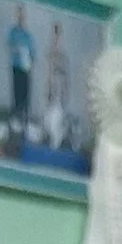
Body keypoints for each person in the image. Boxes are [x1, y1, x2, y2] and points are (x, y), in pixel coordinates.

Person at [4, 12, 35, 147]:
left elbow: (33, 55)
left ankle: (24, 125)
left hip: (26, 69)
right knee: (16, 95)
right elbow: (10, 45)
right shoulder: (14, 33)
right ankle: (14, 125)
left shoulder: (28, 36)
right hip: (16, 68)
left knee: (25, 98)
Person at [43, 22, 70, 152]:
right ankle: (52, 143)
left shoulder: (62, 56)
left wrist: (64, 91)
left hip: (58, 92)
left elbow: (64, 77)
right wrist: (48, 88)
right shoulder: (50, 54)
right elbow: (48, 72)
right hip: (52, 90)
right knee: (49, 119)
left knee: (56, 117)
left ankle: (55, 143)